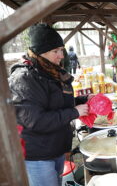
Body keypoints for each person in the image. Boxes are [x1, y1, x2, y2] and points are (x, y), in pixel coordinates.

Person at [8, 23, 91, 186]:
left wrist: (85, 100)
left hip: (56, 147)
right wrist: (74, 112)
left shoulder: (50, 72)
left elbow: (57, 103)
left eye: (62, 49)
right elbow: (36, 120)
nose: (62, 55)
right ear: (40, 52)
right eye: (56, 51)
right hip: (38, 155)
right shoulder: (24, 79)